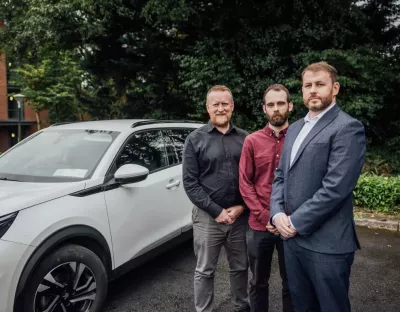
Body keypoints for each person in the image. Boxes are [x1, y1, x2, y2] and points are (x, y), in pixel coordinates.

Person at [270, 61, 366, 312]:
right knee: (301, 306)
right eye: (307, 85)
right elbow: (281, 176)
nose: (313, 90)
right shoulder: (295, 129)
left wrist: (294, 222)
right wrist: (277, 213)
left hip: (328, 246)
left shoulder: (347, 127)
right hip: (293, 243)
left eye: (319, 84)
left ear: (335, 88)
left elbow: (336, 188)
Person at [182, 85, 250, 312]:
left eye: (225, 104)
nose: (221, 108)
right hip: (207, 218)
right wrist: (217, 211)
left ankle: (242, 306)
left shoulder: (246, 139)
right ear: (207, 108)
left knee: (240, 267)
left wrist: (242, 207)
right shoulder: (194, 139)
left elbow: (251, 178)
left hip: (240, 217)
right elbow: (190, 183)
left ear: (232, 106)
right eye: (216, 104)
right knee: (204, 270)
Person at [239, 84, 293, 312]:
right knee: (258, 282)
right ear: (264, 109)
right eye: (271, 104)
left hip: (292, 224)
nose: (276, 108)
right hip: (260, 227)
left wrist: (287, 219)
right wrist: (266, 217)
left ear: (290, 105)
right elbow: (245, 182)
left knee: (292, 283)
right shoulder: (252, 141)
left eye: (281, 103)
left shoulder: (301, 137)